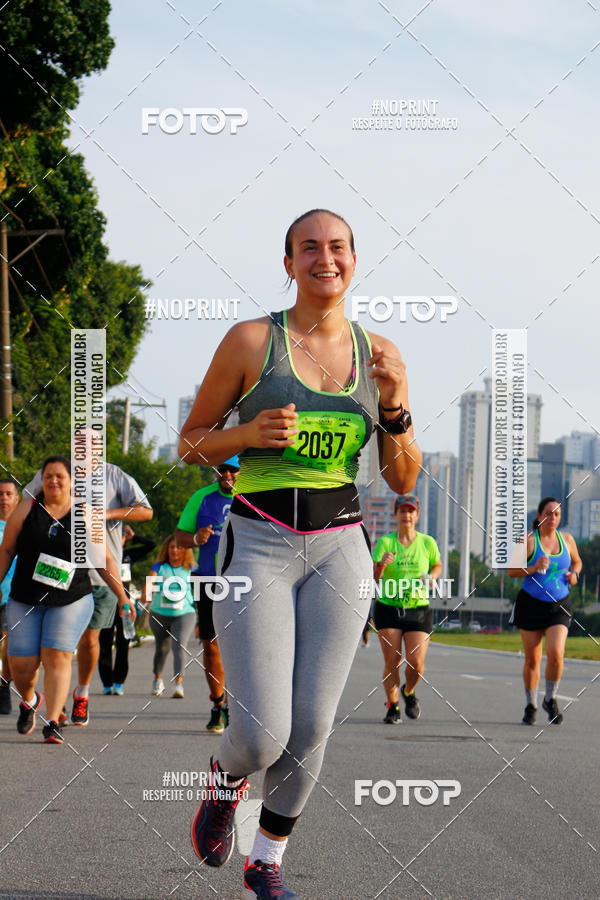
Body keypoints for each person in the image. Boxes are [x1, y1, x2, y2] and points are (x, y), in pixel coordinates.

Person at [179, 208, 421, 898]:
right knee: (261, 733)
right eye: (309, 247)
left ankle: (266, 863)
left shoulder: (380, 356)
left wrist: (398, 404)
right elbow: (190, 441)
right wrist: (248, 430)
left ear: (354, 258)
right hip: (257, 539)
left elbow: (403, 477)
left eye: (338, 247)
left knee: (312, 724)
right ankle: (226, 782)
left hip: (340, 545)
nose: (326, 258)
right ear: (288, 263)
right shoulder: (253, 341)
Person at [0, 456, 129, 744]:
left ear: (72, 482)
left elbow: (104, 560)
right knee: (21, 665)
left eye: (60, 476)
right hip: (25, 597)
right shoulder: (27, 508)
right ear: (41, 480)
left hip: (71, 597)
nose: (54, 481)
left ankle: (54, 720)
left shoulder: (86, 514)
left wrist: (122, 596)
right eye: (48, 476)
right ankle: (30, 700)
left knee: (57, 654)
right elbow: (7, 550)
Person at [22, 447, 153, 725]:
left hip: (101, 573)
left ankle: (81, 693)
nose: (85, 448)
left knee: (89, 640)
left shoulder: (115, 475)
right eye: (79, 441)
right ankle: (55, 706)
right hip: (58, 572)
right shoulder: (58, 472)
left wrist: (104, 514)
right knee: (56, 647)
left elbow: (146, 512)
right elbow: (28, 503)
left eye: (93, 442)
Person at [175, 456, 239, 732]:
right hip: (207, 580)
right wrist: (196, 539)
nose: (227, 475)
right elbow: (179, 536)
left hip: (243, 581)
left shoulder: (254, 496)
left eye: (233, 470)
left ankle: (240, 706)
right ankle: (218, 705)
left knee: (244, 647)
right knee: (211, 645)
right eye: (221, 469)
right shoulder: (201, 497)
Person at [507, 497, 581, 726]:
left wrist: (574, 575)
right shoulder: (528, 540)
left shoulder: (567, 539)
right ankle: (531, 704)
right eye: (548, 513)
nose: (552, 518)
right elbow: (512, 571)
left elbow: (577, 563)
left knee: (556, 654)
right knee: (532, 659)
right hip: (531, 604)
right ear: (539, 516)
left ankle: (550, 698)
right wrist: (533, 567)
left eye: (557, 514)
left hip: (559, 604)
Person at [372, 494, 442, 723]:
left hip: (418, 609)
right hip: (389, 608)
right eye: (402, 511)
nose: (407, 515)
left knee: (417, 664)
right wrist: (382, 563)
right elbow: (375, 576)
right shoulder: (385, 543)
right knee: (393, 661)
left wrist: (432, 577)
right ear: (396, 514)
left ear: (417, 515)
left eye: (411, 511)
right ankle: (392, 707)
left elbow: (437, 565)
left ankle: (409, 692)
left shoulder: (427, 542)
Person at [98, 525, 155, 695]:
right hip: (107, 603)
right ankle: (106, 683)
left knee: (123, 644)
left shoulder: (128, 555)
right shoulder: (101, 555)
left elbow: (151, 545)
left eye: (121, 536)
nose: (118, 539)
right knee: (105, 643)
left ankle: (119, 682)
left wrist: (134, 537)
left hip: (125, 606)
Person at [141, 535, 196, 698]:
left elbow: (199, 590)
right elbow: (148, 586)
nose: (175, 550)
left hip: (185, 613)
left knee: (179, 644)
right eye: (172, 547)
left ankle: (178, 684)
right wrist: (147, 592)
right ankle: (157, 679)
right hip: (160, 614)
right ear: (167, 549)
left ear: (185, 550)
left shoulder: (191, 568)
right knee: (162, 648)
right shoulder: (159, 567)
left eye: (178, 547)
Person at [0, 478, 21, 715]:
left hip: (14, 596)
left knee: (10, 644)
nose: (3, 498)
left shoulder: (25, 525)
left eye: (8, 494)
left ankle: (4, 686)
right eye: (0, 494)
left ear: (16, 498)